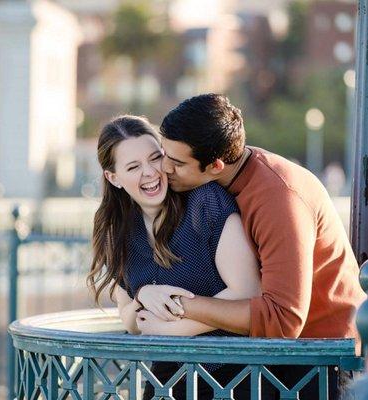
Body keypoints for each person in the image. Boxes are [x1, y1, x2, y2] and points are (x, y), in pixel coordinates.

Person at [135, 94, 366, 399]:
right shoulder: (217, 184)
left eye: (177, 162)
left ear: (216, 165)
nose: (164, 168)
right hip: (271, 361)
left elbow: (283, 320)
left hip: (319, 366)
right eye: (164, 154)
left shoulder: (279, 198)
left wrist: (178, 307)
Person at [87, 115, 262, 399]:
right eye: (133, 167)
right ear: (113, 177)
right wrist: (144, 295)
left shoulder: (206, 203)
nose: (150, 172)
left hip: (233, 375)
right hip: (165, 384)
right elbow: (131, 320)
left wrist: (176, 329)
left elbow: (249, 291)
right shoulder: (116, 230)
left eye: (155, 158)